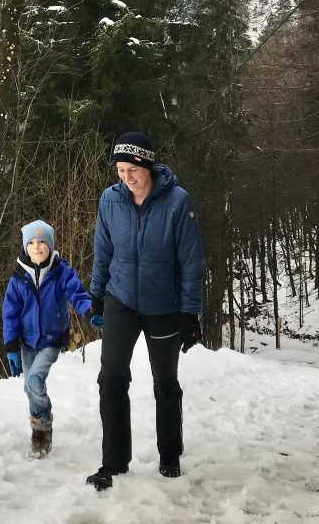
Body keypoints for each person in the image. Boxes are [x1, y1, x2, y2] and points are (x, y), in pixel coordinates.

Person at [85, 131, 205, 491]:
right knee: (111, 378)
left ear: (147, 165)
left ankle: (170, 455)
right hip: (120, 299)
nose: (126, 177)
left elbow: (191, 260)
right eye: (120, 170)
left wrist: (190, 311)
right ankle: (113, 460)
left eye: (131, 170)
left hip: (163, 305)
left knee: (165, 382)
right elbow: (102, 249)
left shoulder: (177, 202)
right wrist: (96, 292)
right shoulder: (110, 200)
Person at [2, 219, 103, 458]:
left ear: (50, 245)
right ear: (25, 247)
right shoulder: (18, 278)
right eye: (32, 243)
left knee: (35, 381)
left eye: (42, 243)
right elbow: (10, 313)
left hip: (52, 338)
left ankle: (43, 429)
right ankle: (38, 429)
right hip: (27, 341)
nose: (37, 247)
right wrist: (11, 345)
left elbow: (77, 294)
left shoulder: (61, 272)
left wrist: (89, 311)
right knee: (30, 388)